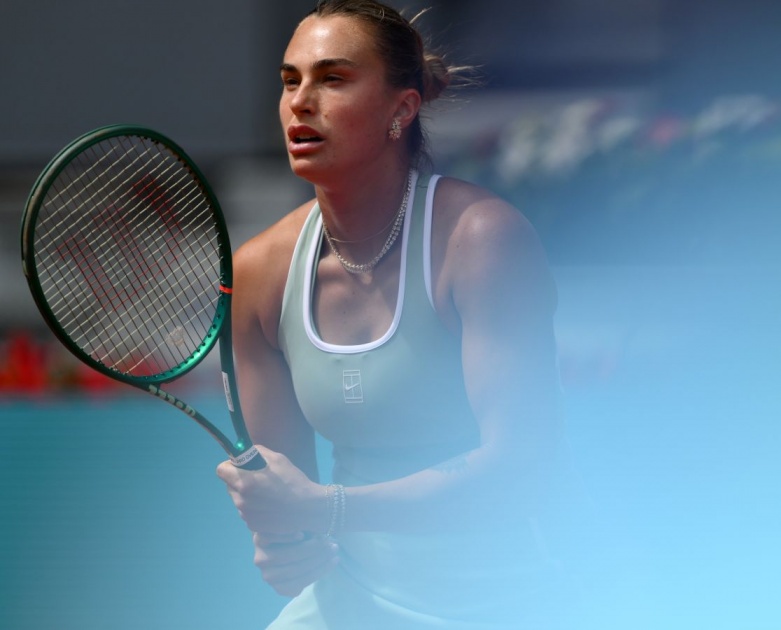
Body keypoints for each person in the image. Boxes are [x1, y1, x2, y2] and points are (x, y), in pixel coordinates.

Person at [216, 1, 579, 627]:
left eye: (333, 79)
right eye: (290, 80)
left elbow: (521, 470)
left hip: (506, 604)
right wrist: (283, 547)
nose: (301, 102)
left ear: (402, 109)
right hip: (347, 601)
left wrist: (326, 508)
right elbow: (292, 507)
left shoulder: (482, 240)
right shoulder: (259, 273)